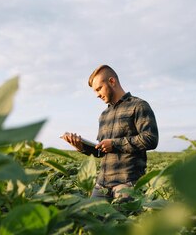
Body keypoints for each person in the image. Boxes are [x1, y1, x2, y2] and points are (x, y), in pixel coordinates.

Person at [62, 64, 159, 202]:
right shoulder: (104, 115)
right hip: (102, 184)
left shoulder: (139, 106)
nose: (97, 95)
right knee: (92, 219)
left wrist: (114, 144)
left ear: (112, 81)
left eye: (99, 89)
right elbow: (101, 152)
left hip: (127, 182)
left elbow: (150, 139)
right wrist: (81, 147)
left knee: (122, 222)